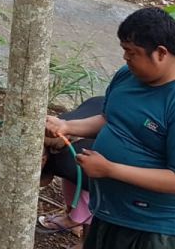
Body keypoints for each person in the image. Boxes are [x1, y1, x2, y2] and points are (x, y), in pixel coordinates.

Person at [45, 7, 175, 249]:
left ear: (160, 53)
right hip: (107, 212)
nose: (125, 58)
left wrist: (110, 170)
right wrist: (67, 125)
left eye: (131, 52)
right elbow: (110, 118)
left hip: (151, 229)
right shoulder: (127, 76)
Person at [38, 96, 102, 244]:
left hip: (97, 157)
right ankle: (72, 218)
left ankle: (85, 238)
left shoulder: (73, 162)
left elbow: (94, 195)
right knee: (72, 180)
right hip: (95, 106)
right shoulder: (53, 131)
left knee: (85, 188)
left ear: (43, 160)